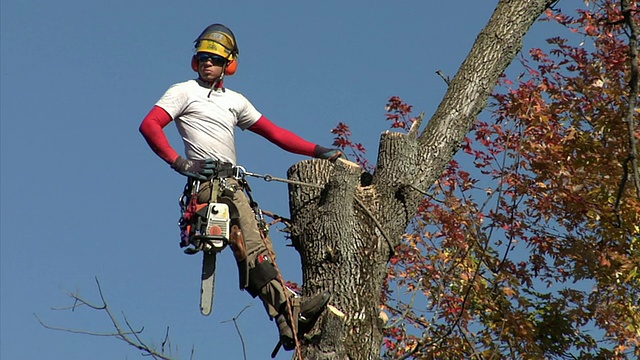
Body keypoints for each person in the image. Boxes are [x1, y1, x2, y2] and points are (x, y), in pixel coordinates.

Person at [139, 23, 343, 351]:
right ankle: (290, 308)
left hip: (234, 185)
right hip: (211, 185)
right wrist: (179, 162)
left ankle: (286, 325)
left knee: (261, 248)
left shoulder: (235, 101)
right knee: (252, 247)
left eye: (215, 59)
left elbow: (276, 133)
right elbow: (150, 124)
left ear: (228, 65)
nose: (207, 63)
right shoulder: (183, 92)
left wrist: (319, 151)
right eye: (203, 58)